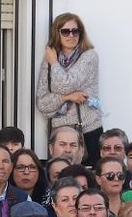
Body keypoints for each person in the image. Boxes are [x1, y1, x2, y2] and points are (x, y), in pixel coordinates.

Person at [35, 13, 103, 163]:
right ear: (57, 34)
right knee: (62, 175)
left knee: (88, 179)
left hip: (88, 130)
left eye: (75, 31)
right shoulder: (48, 61)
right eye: (65, 31)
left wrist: (53, 62)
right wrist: (68, 97)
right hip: (60, 132)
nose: (71, 35)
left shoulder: (89, 56)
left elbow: (66, 85)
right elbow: (42, 103)